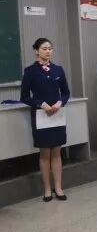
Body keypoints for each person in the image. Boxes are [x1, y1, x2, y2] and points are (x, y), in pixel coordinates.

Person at [20, 38, 70, 202]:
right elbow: (24, 97)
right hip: (41, 116)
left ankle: (58, 187)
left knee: (56, 152)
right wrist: (40, 104)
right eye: (44, 48)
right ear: (36, 51)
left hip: (57, 114)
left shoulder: (58, 70)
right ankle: (47, 190)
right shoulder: (30, 71)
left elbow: (66, 92)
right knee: (45, 153)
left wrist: (60, 102)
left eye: (50, 48)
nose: (48, 51)